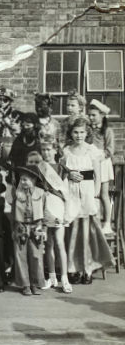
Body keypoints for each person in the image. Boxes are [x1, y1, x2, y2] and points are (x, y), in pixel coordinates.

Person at [61, 116, 113, 284]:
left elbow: (98, 175)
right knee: (72, 232)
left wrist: (96, 194)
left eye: (82, 132)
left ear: (87, 133)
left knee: (86, 232)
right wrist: (69, 174)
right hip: (72, 192)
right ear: (71, 133)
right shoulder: (67, 151)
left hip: (88, 192)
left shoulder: (92, 150)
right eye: (75, 132)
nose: (79, 135)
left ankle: (87, 269)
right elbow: (62, 172)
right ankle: (73, 268)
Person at [6, 165, 46, 296]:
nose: (22, 182)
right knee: (20, 256)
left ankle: (35, 283)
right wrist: (13, 229)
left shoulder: (41, 193)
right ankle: (25, 285)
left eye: (25, 179)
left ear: (34, 180)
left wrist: (43, 228)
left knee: (36, 256)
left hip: (36, 228)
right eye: (21, 179)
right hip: (21, 227)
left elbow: (45, 211)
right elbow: (12, 213)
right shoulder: (16, 194)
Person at [37, 147, 71, 294]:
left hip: (57, 205)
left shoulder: (61, 168)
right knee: (48, 244)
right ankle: (51, 277)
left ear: (55, 150)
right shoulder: (39, 167)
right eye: (43, 149)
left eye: (49, 149)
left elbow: (65, 190)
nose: (46, 152)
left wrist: (66, 210)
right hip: (44, 205)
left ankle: (64, 278)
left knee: (59, 242)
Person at [87, 99, 115, 235]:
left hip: (102, 164)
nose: (91, 118)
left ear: (102, 115)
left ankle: (107, 223)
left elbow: (110, 150)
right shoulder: (88, 130)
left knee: (104, 194)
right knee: (92, 193)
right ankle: (94, 221)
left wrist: (98, 158)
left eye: (94, 115)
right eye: (89, 115)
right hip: (90, 164)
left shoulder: (107, 131)